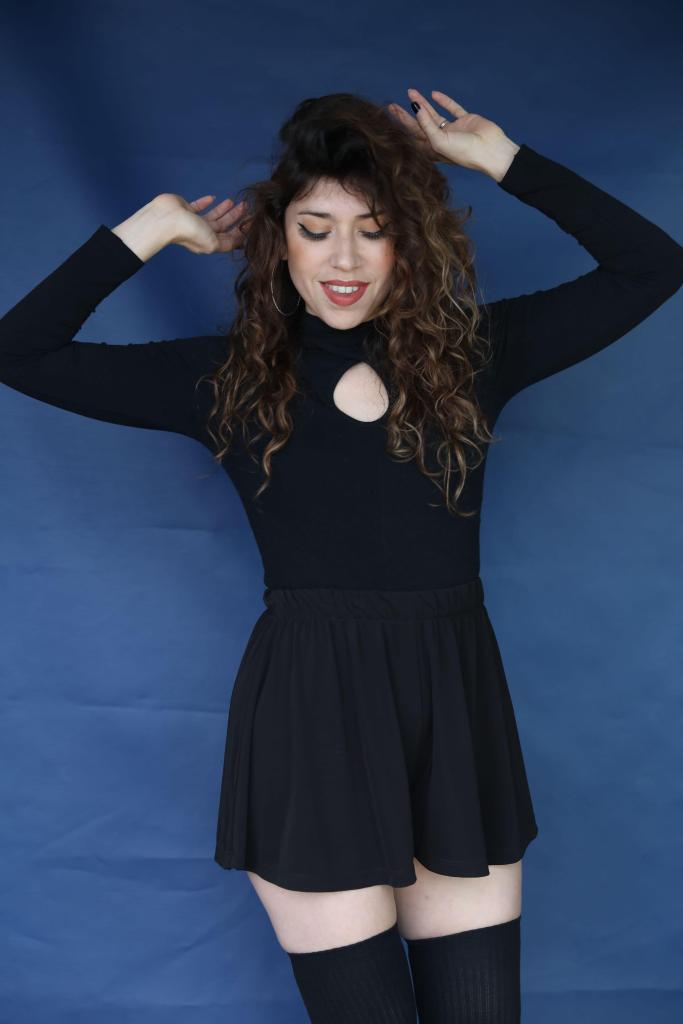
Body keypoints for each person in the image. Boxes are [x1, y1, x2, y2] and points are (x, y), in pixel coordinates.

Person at [1, 88, 681, 1024]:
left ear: (410, 242)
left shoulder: (472, 356)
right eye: (315, 230)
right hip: (310, 719)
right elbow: (19, 351)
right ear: (278, 242)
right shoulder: (225, 379)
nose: (345, 260)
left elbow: (651, 266)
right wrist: (149, 229)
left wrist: (501, 158)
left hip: (451, 711)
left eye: (374, 230)